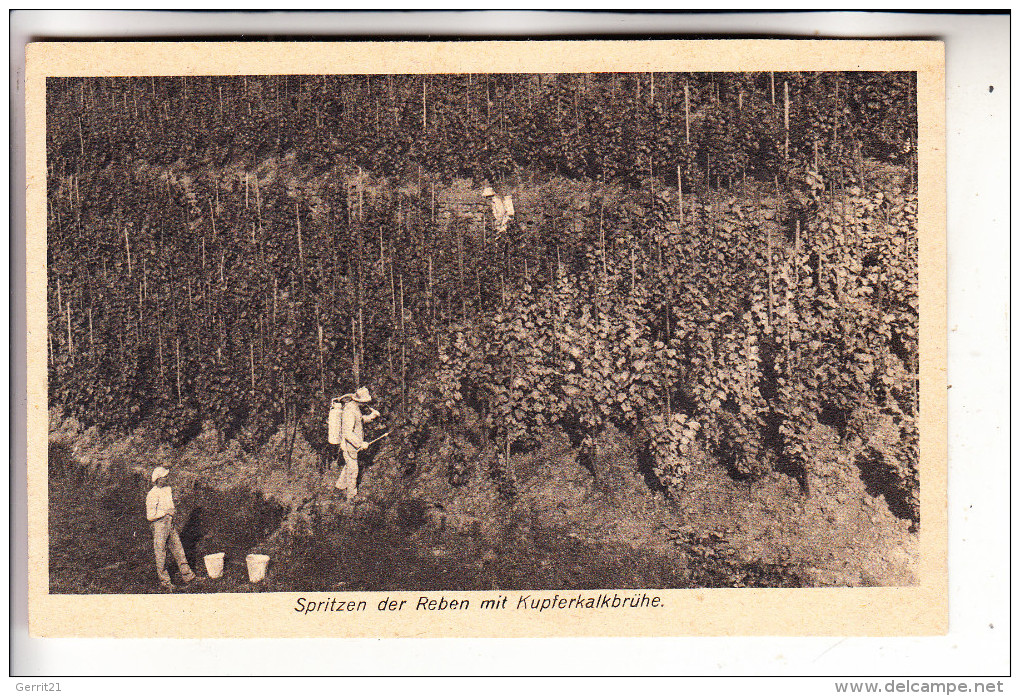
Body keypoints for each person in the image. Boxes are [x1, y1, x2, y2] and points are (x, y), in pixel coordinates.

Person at [146, 466, 196, 590]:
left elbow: (169, 504)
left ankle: (188, 576)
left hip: (169, 523)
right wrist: (166, 512)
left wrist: (171, 513)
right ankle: (165, 582)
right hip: (159, 525)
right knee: (161, 553)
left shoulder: (168, 489)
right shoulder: (152, 494)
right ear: (158, 479)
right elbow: (150, 516)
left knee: (179, 550)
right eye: (164, 477)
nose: (167, 478)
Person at [334, 387, 380, 501]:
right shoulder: (350, 411)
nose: (366, 404)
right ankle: (351, 497)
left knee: (349, 465)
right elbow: (348, 433)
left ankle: (339, 487)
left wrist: (371, 417)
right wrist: (360, 443)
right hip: (349, 445)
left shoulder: (354, 408)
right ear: (359, 401)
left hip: (351, 445)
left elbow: (359, 421)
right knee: (353, 470)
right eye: (365, 402)